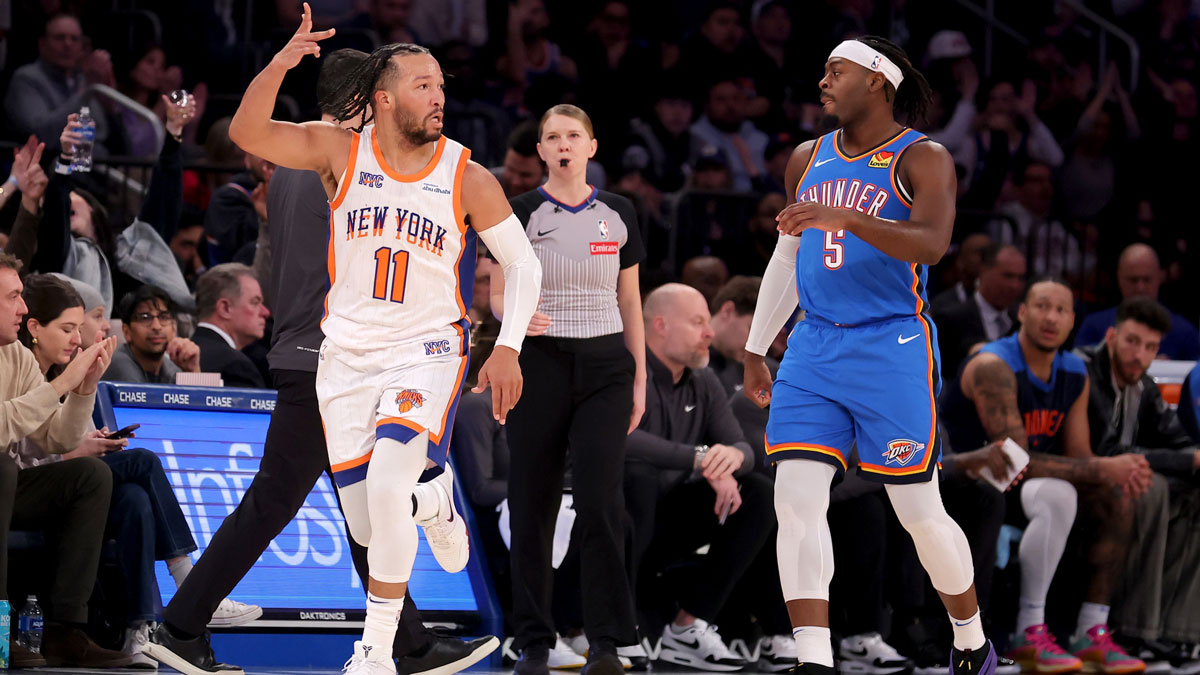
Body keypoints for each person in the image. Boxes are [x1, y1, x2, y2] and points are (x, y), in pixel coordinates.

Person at [153, 12, 542, 675]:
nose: (432, 98)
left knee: (366, 498)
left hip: (324, 345)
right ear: (371, 101)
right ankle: (183, 624)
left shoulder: (326, 167)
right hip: (327, 351)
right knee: (288, 498)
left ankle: (403, 642)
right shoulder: (334, 162)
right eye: (415, 85)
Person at [741, 36, 998, 675]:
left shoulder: (924, 158)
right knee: (795, 498)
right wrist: (754, 347)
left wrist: (846, 219)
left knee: (917, 510)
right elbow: (787, 253)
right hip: (815, 344)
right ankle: (814, 661)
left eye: (837, 71)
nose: (823, 81)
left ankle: (970, 640)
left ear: (878, 82)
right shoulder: (808, 157)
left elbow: (934, 244)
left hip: (892, 343)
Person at [14, 274, 260, 666]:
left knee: (134, 499)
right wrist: (77, 445)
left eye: (81, 328)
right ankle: (191, 586)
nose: (78, 339)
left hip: (59, 485)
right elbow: (30, 450)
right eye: (67, 328)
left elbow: (57, 438)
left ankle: (138, 632)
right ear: (34, 329)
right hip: (25, 487)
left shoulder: (44, 370)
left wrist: (85, 391)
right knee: (141, 462)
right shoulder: (22, 363)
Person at [488, 103, 642, 675]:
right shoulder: (521, 210)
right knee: (533, 500)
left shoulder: (620, 212)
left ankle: (605, 642)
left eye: (573, 134)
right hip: (542, 363)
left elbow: (632, 303)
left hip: (607, 366)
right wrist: (513, 316)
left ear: (591, 146)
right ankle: (533, 640)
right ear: (542, 151)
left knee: (603, 502)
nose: (562, 144)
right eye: (552, 136)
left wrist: (640, 378)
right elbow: (497, 292)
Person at [941, 278, 1154, 674]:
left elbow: (1079, 456)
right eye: (1041, 306)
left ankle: (1092, 632)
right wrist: (1105, 467)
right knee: (1062, 493)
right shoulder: (993, 365)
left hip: (1023, 491)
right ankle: (1029, 633)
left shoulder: (1074, 370)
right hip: (968, 484)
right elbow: (1013, 461)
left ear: (1073, 321)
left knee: (1113, 494)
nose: (1050, 317)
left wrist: (1114, 474)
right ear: (1022, 313)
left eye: (1061, 310)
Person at [626, 283, 777, 672]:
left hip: (668, 515)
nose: (709, 332)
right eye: (697, 323)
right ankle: (613, 624)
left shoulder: (704, 379)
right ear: (659, 325)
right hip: (613, 515)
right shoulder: (626, 368)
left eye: (708, 323)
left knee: (758, 492)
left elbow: (742, 449)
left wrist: (727, 461)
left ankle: (689, 626)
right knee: (638, 476)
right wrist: (702, 459)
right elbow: (622, 439)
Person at [0, 253, 130, 669]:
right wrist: (63, 380)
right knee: (1, 467)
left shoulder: (16, 358)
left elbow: (58, 437)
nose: (23, 308)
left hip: (5, 487)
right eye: (14, 297)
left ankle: (65, 630)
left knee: (90, 475)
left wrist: (83, 388)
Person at [1076, 297, 1200, 671]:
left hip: (1117, 480)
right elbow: (1108, 451)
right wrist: (1188, 459)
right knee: (1149, 485)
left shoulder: (1142, 384)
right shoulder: (1083, 370)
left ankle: (1175, 629)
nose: (1139, 354)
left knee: (1194, 495)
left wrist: (1193, 458)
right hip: (1079, 479)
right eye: (1132, 341)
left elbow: (1177, 439)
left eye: (1150, 347)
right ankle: (1133, 628)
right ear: (1112, 336)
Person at [1073, 244, 1200, 360]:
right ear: (1119, 278)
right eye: (1133, 280)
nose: (1140, 287)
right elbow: (1078, 370)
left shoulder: (1185, 332)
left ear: (1159, 278)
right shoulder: (1094, 325)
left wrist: (1168, 371)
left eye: (1146, 279)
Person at [931, 244, 1027, 378]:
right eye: (1008, 276)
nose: (1015, 285)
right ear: (983, 271)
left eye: (1020, 278)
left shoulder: (1024, 321)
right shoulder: (951, 319)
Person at [191, 263, 270, 388]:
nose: (265, 312)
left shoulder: (183, 358)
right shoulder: (235, 367)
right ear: (225, 308)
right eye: (255, 302)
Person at [103, 285, 201, 384]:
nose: (156, 326)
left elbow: (199, 398)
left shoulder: (171, 366)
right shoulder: (118, 363)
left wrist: (192, 370)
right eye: (145, 318)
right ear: (126, 331)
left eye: (163, 317)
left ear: (174, 328)